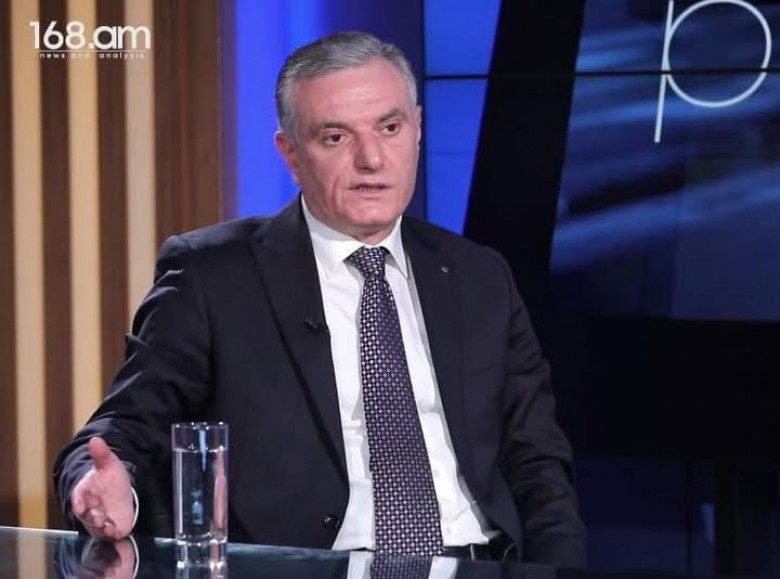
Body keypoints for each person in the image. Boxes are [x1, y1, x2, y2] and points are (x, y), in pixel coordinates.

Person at [53, 31, 586, 566]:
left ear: (418, 129)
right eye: (336, 137)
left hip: (478, 563)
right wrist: (99, 487)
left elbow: (538, 465)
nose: (371, 159)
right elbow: (119, 433)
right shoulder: (212, 276)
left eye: (390, 128)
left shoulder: (478, 274)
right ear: (290, 153)